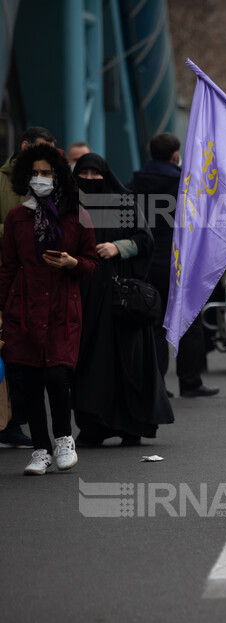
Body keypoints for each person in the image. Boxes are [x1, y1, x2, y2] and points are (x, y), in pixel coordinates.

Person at [0, 143, 97, 474]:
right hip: (24, 309)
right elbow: (8, 266)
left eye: (47, 173)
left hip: (60, 309)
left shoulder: (76, 214)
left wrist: (72, 262)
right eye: (35, 173)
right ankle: (40, 449)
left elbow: (91, 263)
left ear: (58, 176)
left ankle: (64, 438)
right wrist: (2, 309)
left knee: (56, 375)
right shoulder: (16, 217)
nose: (40, 178)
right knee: (29, 381)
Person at [72, 153, 174, 445]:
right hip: (85, 297)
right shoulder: (69, 205)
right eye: (84, 174)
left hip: (121, 298)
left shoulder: (123, 201)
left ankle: (132, 425)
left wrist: (119, 247)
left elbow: (145, 239)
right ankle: (93, 425)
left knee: (129, 361)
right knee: (90, 361)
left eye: (96, 174)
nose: (90, 180)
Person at [129, 132, 218, 399]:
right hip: (180, 260)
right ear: (175, 155)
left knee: (153, 323)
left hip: (146, 261)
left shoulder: (135, 181)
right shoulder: (184, 183)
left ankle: (157, 385)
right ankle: (190, 382)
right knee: (188, 322)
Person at [0, 126, 57, 448]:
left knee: (32, 361)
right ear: (24, 146)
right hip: (10, 280)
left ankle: (17, 422)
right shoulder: (2, 181)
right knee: (11, 358)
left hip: (43, 285)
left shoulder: (53, 182)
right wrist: (16, 226)